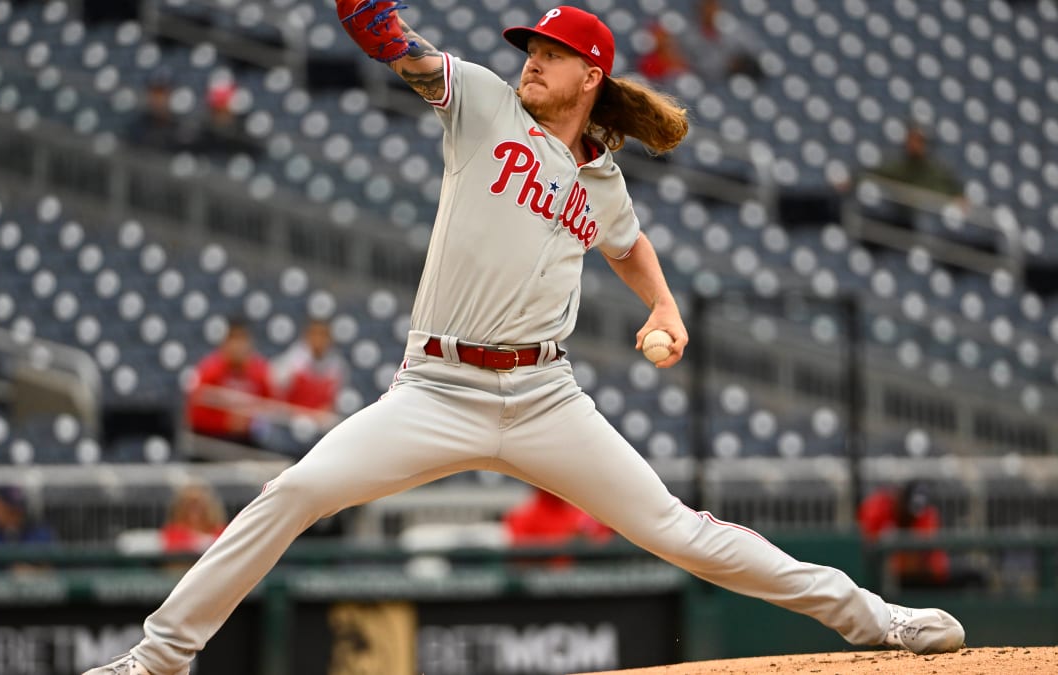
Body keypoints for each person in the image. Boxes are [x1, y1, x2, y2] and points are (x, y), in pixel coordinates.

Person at [87, 5, 964, 673]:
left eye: (548, 55)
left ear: (590, 76)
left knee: (681, 530)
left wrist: (664, 306)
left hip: (546, 396)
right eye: (530, 52)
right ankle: (159, 657)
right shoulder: (478, 102)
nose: (530, 64)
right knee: (295, 489)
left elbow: (628, 243)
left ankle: (877, 619)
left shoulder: (600, 175)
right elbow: (387, 37)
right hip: (437, 389)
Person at [185, 318, 275, 446]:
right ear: (224, 343)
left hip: (251, 442)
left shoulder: (261, 372)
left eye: (242, 339)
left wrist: (249, 422)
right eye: (232, 339)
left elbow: (271, 410)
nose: (237, 345)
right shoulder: (208, 371)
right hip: (215, 440)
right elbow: (195, 416)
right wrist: (225, 422)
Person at [271, 318, 349, 413]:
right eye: (314, 334)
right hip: (291, 416)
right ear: (306, 336)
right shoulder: (291, 360)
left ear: (330, 339)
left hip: (319, 419)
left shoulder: (337, 366)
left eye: (323, 335)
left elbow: (335, 399)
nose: (318, 340)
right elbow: (276, 391)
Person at [679, 0, 766, 81]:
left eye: (713, 7)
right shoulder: (689, 37)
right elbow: (700, 67)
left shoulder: (738, 29)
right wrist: (726, 66)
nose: (710, 11)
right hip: (715, 82)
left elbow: (758, 52)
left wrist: (741, 62)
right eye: (706, 8)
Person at [160, 483, 227, 555]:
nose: (194, 509)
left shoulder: (223, 532)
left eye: (199, 502)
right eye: (189, 503)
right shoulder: (171, 531)